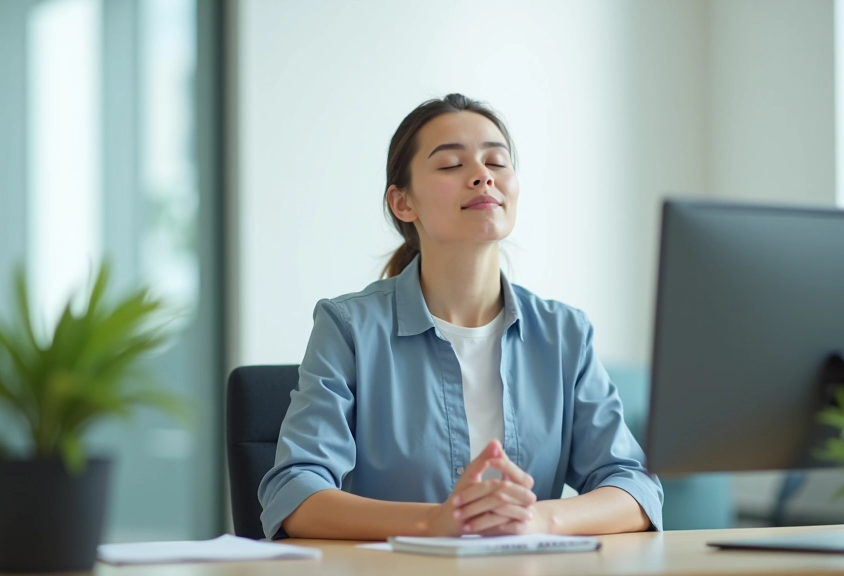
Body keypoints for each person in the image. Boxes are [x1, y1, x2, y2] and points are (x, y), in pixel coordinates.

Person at [258, 94, 663, 540]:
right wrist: (433, 523)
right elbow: (294, 492)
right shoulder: (348, 327)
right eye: (452, 165)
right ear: (402, 202)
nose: (482, 176)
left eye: (497, 162)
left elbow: (635, 485)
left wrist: (542, 520)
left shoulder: (564, 333)